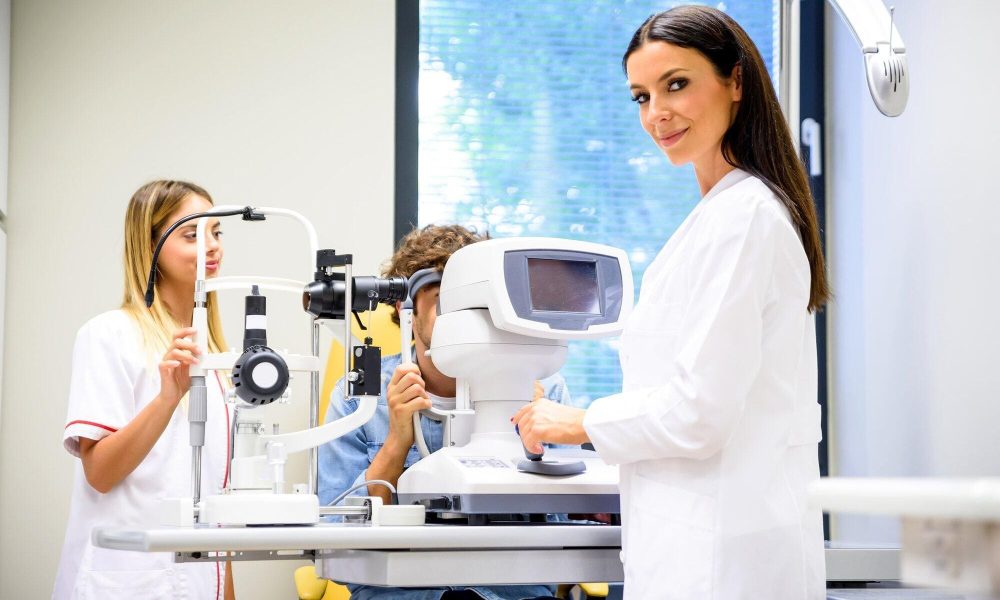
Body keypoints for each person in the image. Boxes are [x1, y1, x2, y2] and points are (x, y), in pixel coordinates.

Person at [513, 6, 829, 599]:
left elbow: (699, 412)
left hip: (727, 560)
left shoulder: (745, 219)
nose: (657, 113)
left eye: (676, 84)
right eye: (641, 96)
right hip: (698, 544)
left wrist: (576, 423)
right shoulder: (721, 216)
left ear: (736, 81)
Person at [319, 224, 572, 600]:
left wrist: (529, 440)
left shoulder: (544, 390)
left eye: (477, 304)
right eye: (446, 301)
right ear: (403, 306)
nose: (464, 318)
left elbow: (569, 537)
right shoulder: (360, 396)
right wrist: (396, 443)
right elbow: (335, 542)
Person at [54, 180, 235, 599]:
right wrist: (166, 398)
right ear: (150, 244)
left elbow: (212, 496)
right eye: (192, 234)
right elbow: (99, 472)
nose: (212, 247)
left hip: (198, 581)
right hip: (124, 578)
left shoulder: (214, 355)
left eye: (217, 232)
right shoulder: (109, 335)